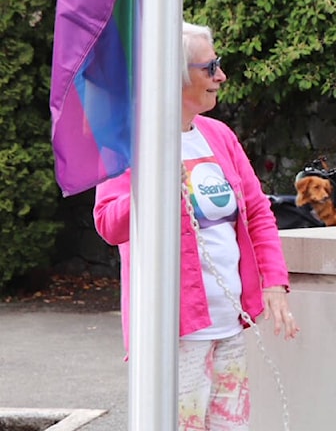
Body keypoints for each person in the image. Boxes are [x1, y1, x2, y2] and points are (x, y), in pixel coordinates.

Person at [95, 22, 299, 431]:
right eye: (211, 67)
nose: (221, 76)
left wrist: (274, 283)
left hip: (230, 323)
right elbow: (108, 224)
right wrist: (151, 189)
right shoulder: (128, 141)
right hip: (174, 332)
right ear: (175, 74)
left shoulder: (219, 135)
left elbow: (257, 212)